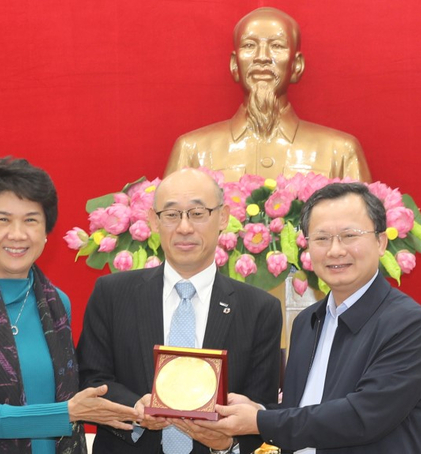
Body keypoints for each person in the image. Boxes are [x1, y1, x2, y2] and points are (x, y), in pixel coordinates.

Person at [195, 182, 421, 453]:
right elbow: (304, 408)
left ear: (381, 242)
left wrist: (260, 421)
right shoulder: (308, 321)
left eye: (349, 236)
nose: (335, 250)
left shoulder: (408, 324)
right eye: (321, 238)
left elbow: (362, 416)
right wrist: (257, 410)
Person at [0, 157, 139, 454]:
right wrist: (67, 414)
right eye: (3, 220)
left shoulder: (56, 305)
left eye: (31, 220)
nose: (18, 234)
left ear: (46, 232)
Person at [77, 168, 283, 454]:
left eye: (198, 213)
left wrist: (228, 443)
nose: (184, 228)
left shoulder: (260, 308)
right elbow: (91, 379)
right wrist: (135, 408)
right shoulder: (112, 294)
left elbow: (262, 406)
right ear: (153, 220)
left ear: (222, 217)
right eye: (172, 215)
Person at [165, 7, 371, 183]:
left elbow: (363, 225)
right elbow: (168, 223)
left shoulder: (341, 152)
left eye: (277, 46)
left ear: (297, 66)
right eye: (249, 45)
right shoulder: (192, 150)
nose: (262, 57)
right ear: (234, 65)